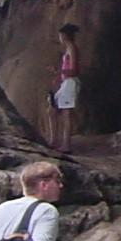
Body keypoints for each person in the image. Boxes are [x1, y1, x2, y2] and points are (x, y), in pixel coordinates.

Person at [47, 26, 79, 155]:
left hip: (70, 83)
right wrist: (58, 77)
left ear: (64, 35)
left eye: (60, 35)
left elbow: (74, 70)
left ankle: (66, 145)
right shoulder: (68, 49)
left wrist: (58, 71)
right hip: (66, 83)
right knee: (51, 110)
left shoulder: (72, 48)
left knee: (66, 114)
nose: (59, 38)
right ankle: (53, 140)